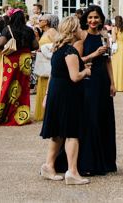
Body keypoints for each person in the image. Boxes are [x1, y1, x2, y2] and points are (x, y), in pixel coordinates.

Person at [39, 16, 92, 185]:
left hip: (56, 92)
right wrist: (86, 72)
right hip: (67, 94)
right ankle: (73, 172)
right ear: (73, 30)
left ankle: (49, 165)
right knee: (72, 133)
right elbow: (75, 77)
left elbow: (54, 73)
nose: (81, 30)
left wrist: (47, 95)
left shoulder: (57, 49)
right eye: (78, 27)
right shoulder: (70, 51)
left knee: (58, 133)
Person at [72, 4, 116, 176]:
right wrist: (93, 55)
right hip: (87, 80)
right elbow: (76, 60)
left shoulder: (105, 36)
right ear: (86, 19)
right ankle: (88, 162)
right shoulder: (81, 38)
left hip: (102, 81)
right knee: (90, 118)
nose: (93, 20)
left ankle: (105, 160)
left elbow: (108, 61)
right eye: (90, 17)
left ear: (101, 19)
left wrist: (112, 83)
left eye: (96, 17)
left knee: (103, 118)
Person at [0, 8, 39, 126]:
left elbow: (0, 44)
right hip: (25, 60)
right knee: (24, 88)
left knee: (8, 86)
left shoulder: (7, 29)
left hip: (11, 60)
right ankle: (21, 116)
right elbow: (36, 45)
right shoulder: (29, 30)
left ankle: (4, 115)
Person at [34, 14, 59, 121]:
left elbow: (57, 45)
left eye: (41, 20)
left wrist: (43, 49)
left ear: (47, 22)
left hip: (48, 64)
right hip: (43, 63)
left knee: (47, 87)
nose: (39, 21)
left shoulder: (52, 31)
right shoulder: (45, 32)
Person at [111, 15, 123, 92]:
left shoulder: (115, 29)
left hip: (118, 48)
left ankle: (117, 85)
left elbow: (113, 40)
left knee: (117, 66)